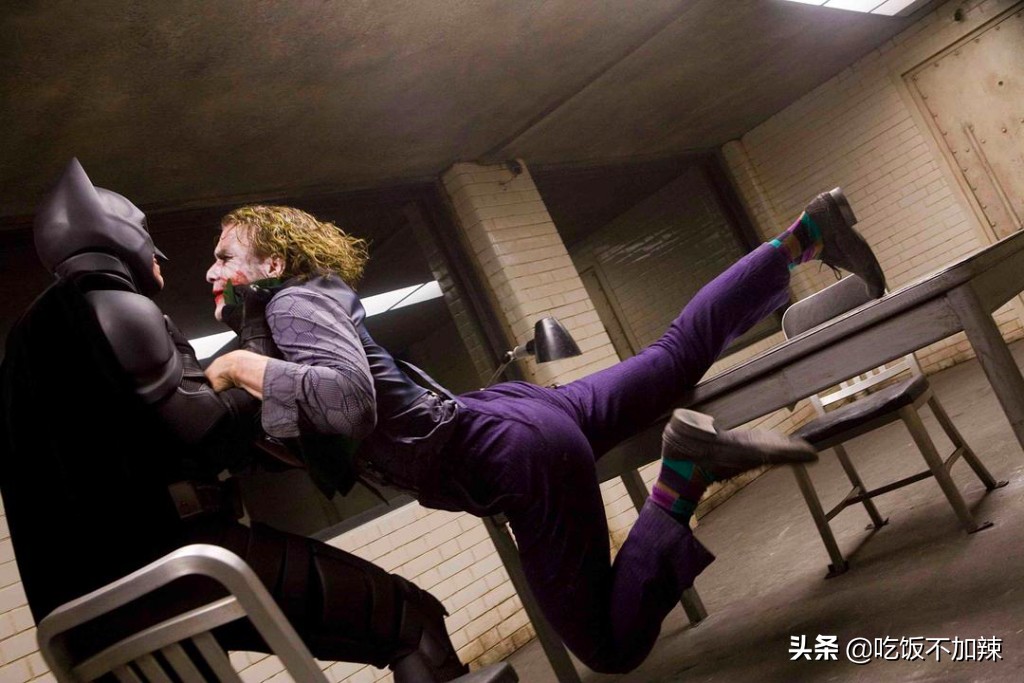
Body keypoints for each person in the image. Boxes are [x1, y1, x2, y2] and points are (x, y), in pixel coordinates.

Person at [203, 188, 887, 673]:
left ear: (273, 265)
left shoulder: (290, 305)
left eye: (226, 256)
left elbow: (348, 400)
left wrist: (234, 363)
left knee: (608, 649)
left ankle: (684, 471)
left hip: (508, 451)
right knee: (674, 353)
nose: (212, 270)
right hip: (520, 414)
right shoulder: (300, 313)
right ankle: (805, 236)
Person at [0, 159, 477, 683]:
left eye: (224, 257)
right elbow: (207, 438)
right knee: (411, 618)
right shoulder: (118, 307)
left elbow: (150, 447)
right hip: (181, 566)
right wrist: (249, 343)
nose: (162, 255)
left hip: (82, 619)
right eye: (147, 237)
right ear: (115, 234)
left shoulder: (28, 341)